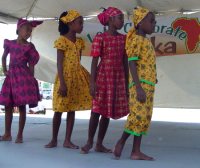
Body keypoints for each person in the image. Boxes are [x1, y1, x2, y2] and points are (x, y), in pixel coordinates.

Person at [80, 7, 129, 154]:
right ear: (110, 20)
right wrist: (92, 82)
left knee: (107, 111)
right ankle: (89, 142)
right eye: (119, 18)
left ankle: (99, 143)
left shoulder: (123, 39)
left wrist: (126, 83)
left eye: (122, 18)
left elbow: (125, 62)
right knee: (96, 110)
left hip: (117, 78)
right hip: (102, 76)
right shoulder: (100, 38)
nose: (122, 21)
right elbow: (94, 61)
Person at [113, 6, 157, 160]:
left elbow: (146, 63)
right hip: (140, 85)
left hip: (148, 84)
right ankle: (122, 141)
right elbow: (132, 63)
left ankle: (136, 151)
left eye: (154, 21)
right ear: (140, 22)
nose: (154, 24)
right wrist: (138, 87)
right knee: (137, 116)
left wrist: (153, 77)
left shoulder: (146, 41)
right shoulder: (136, 40)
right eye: (151, 21)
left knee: (144, 117)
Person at [45, 10, 91, 149]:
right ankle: (53, 139)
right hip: (64, 78)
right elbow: (59, 63)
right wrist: (62, 83)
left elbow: (78, 61)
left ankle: (67, 140)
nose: (82, 25)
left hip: (76, 78)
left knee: (72, 109)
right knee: (59, 109)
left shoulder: (80, 42)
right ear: (70, 24)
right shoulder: (62, 41)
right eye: (80, 23)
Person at [0, 18, 42, 143]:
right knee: (8, 105)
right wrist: (4, 70)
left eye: (30, 31)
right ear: (18, 30)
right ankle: (7, 134)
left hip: (24, 78)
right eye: (26, 30)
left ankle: (20, 135)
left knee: (22, 105)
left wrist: (32, 79)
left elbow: (32, 64)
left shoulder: (30, 46)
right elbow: (4, 56)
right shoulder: (10, 43)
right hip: (11, 77)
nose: (29, 33)